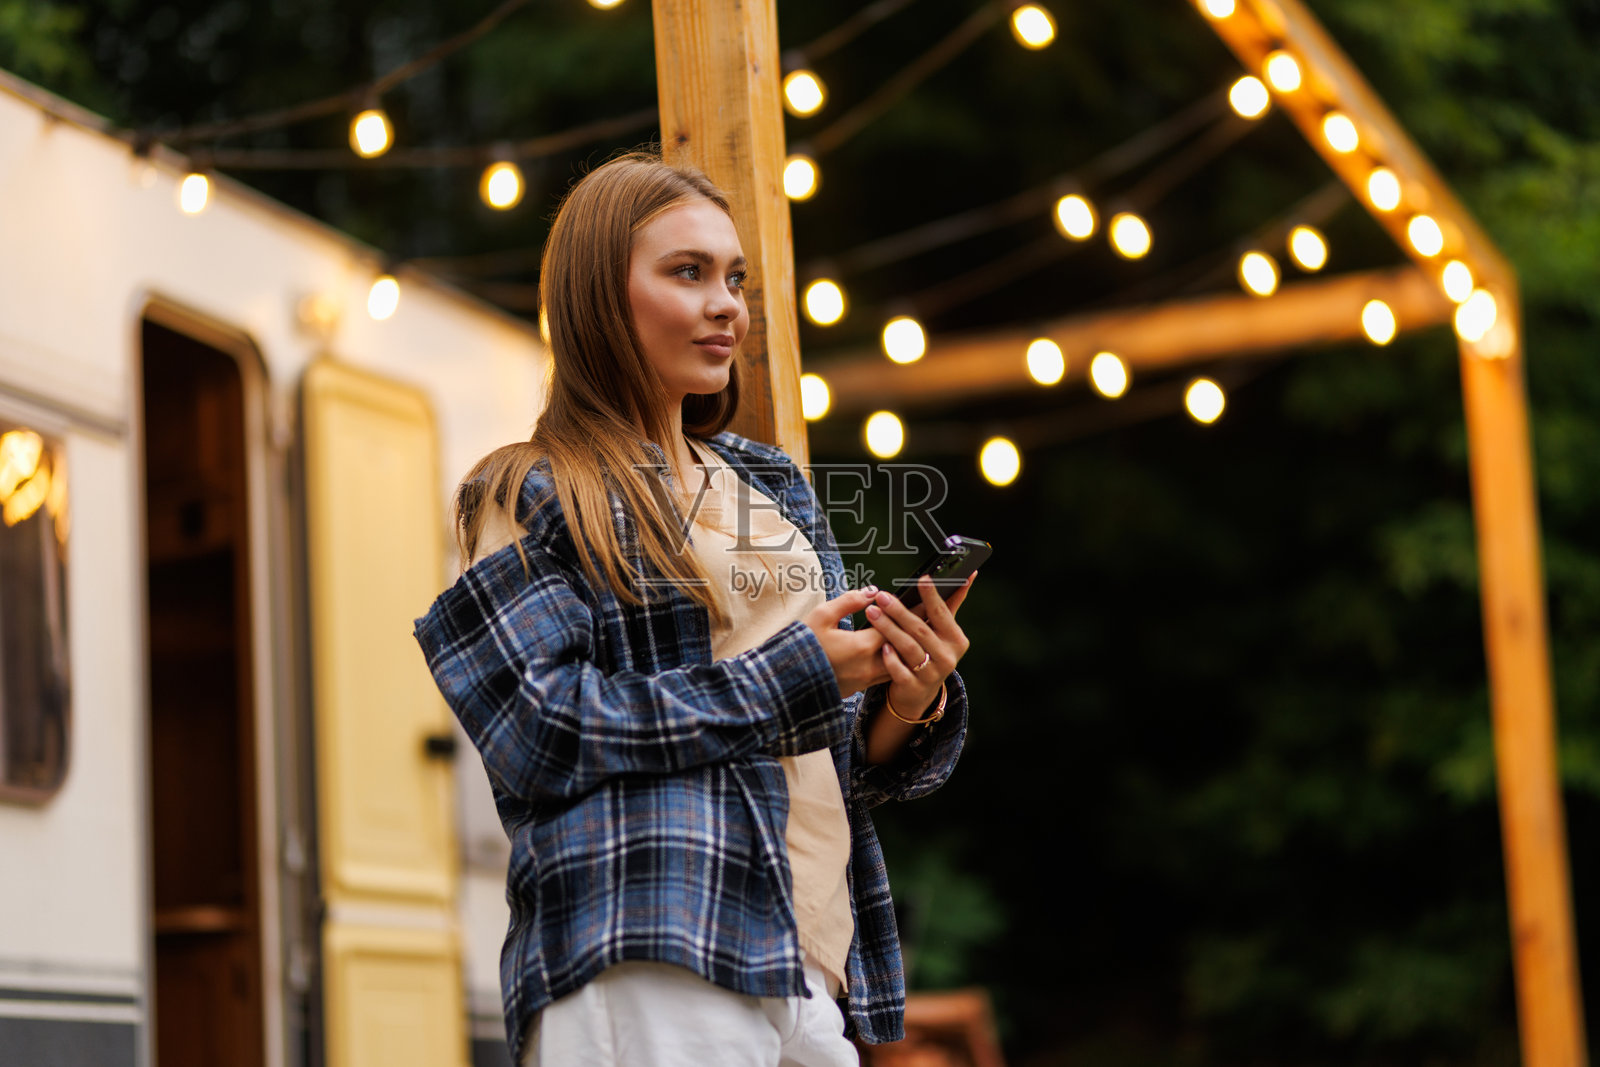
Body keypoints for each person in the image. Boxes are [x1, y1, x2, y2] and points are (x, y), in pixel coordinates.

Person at [413, 151, 974, 1067]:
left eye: (735, 279)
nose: (727, 306)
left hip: (808, 952)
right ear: (599, 296)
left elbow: (817, 741)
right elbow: (541, 731)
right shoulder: (533, 486)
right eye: (688, 272)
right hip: (652, 931)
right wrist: (793, 674)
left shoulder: (770, 483)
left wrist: (906, 695)